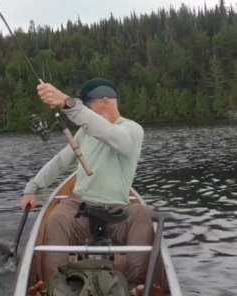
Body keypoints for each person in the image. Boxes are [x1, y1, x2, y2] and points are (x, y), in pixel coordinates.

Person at [22, 78, 163, 295]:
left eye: (89, 106)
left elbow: (109, 134)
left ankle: (136, 287)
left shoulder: (132, 130)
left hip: (119, 213)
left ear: (105, 102)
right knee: (57, 217)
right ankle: (54, 287)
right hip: (80, 207)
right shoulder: (85, 132)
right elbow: (60, 162)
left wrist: (68, 104)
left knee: (144, 214)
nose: (86, 112)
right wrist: (31, 188)